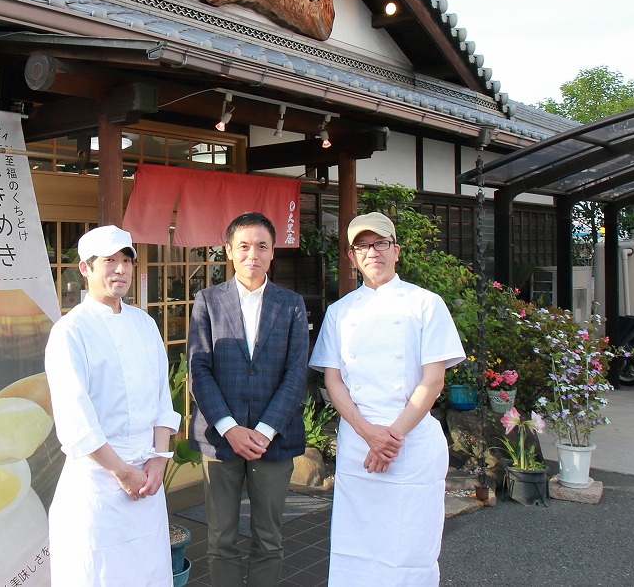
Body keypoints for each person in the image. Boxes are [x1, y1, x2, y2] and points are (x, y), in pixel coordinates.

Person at [310, 211, 465, 585]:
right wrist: (368, 433)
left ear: (396, 250)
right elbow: (334, 381)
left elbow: (434, 380)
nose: (371, 252)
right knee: (356, 544)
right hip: (358, 445)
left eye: (379, 243)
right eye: (362, 246)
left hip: (409, 443)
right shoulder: (339, 312)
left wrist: (390, 437)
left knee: (410, 546)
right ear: (351, 257)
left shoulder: (426, 303)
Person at [44, 225, 181, 586]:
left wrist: (156, 459)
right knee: (98, 575)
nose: (120, 269)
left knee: (148, 573)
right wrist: (122, 471)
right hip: (98, 482)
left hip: (147, 482)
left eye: (126, 260)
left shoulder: (145, 324)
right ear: (85, 268)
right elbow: (76, 421)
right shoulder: (70, 331)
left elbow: (161, 401)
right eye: (109, 261)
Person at [187, 212, 309, 587]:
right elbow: (198, 369)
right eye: (243, 246)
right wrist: (230, 428)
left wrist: (266, 430)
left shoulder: (291, 304)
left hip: (274, 439)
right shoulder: (207, 301)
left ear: (273, 253)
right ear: (228, 251)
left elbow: (296, 372)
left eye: (261, 246)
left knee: (269, 539)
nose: (252, 253)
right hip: (221, 440)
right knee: (221, 538)